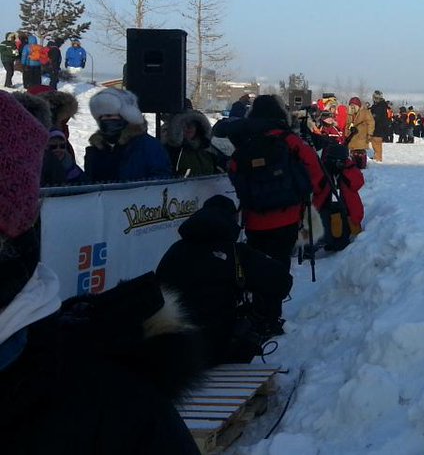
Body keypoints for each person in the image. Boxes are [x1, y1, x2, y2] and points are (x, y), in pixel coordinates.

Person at [0, 91, 205, 454]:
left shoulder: (113, 405)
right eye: (103, 118)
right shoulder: (97, 147)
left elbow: (155, 180)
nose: (108, 124)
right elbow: (87, 180)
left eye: (114, 118)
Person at [156, 195, 293, 366]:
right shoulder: (236, 252)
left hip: (173, 347)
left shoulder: (174, 251)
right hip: (219, 349)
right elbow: (282, 281)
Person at [216, 95, 325, 264]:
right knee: (280, 265)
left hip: (254, 219)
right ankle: (278, 288)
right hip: (288, 218)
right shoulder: (290, 141)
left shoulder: (246, 142)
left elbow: (234, 170)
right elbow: (315, 174)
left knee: (256, 266)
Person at [84, 88, 172, 183]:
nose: (106, 119)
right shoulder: (97, 148)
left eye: (110, 115)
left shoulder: (148, 146)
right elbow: (87, 183)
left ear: (126, 116)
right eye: (102, 116)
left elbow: (161, 180)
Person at [312, 143, 365, 252]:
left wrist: (345, 170)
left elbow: (357, 183)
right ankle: (325, 241)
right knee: (324, 223)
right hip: (325, 206)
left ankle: (340, 242)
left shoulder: (349, 168)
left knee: (344, 227)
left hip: (346, 208)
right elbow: (316, 187)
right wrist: (326, 170)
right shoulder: (323, 169)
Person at [164, 110, 227, 177]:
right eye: (183, 125)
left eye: (192, 124)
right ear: (176, 128)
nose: (188, 128)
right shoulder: (170, 151)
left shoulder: (208, 149)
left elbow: (220, 169)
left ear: (198, 127)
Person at [346, 97, 374, 169]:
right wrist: (347, 133)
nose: (352, 107)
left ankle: (361, 165)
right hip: (352, 136)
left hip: (362, 135)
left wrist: (370, 133)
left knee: (360, 152)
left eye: (353, 105)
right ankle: (354, 165)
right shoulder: (349, 114)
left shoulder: (365, 112)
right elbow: (347, 124)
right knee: (353, 152)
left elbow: (371, 123)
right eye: (351, 105)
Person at [369, 90, 390, 162]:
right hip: (377, 126)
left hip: (379, 126)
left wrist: (372, 116)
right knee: (374, 141)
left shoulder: (381, 106)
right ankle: (376, 155)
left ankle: (378, 157)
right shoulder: (377, 105)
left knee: (377, 141)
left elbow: (377, 116)